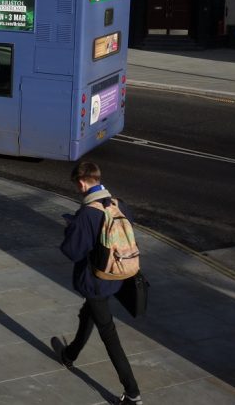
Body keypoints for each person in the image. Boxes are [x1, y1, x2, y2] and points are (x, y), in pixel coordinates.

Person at [51, 161, 141, 405]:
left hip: (96, 281)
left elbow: (72, 251)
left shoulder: (87, 213)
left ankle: (133, 394)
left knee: (108, 332)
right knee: (87, 313)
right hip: (118, 276)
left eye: (76, 185)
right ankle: (69, 354)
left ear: (82, 183)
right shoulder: (119, 204)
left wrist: (71, 228)